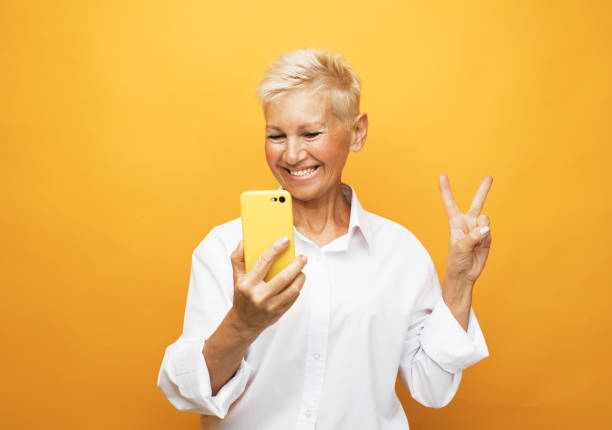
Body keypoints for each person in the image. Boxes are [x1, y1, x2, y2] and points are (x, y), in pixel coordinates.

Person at [157, 48, 493, 429]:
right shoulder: (224, 249)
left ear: (357, 132)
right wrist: (242, 323)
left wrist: (460, 282)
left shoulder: (400, 253)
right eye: (276, 135)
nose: (293, 154)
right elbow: (187, 394)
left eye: (311, 133)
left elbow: (432, 387)